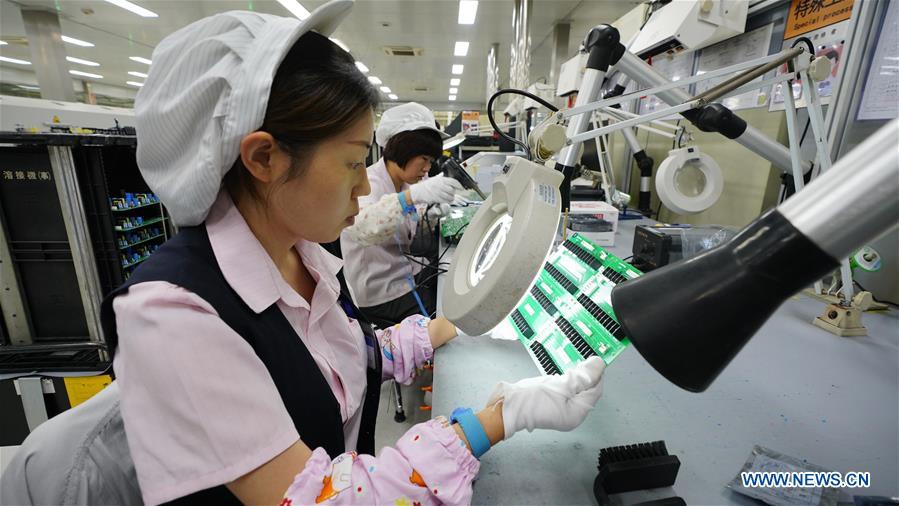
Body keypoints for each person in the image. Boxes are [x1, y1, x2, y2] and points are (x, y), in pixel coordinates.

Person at [3, 2, 606, 505]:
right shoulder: (173, 317)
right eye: (351, 163)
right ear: (263, 158)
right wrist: (496, 420)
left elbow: (349, 357)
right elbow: (319, 498)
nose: (365, 186)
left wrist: (462, 319)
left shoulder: (300, 257)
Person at [341, 102, 463, 328]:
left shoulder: (408, 182)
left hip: (408, 274)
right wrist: (408, 198)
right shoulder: (369, 183)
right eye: (424, 159)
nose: (427, 168)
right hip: (382, 292)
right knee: (447, 319)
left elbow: (409, 231)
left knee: (454, 283)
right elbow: (363, 228)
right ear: (402, 149)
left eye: (431, 161)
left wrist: (431, 215)